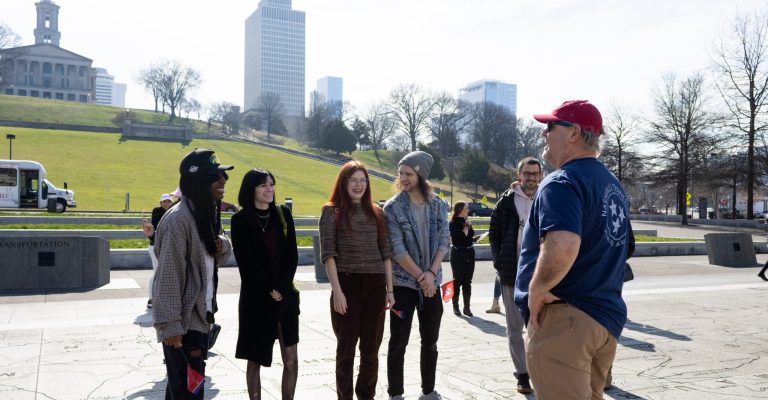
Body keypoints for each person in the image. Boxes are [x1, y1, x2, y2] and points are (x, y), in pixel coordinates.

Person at [514, 100, 630, 399]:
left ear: (574, 133)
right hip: (603, 319)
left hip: (566, 321)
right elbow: (624, 245)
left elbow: (564, 243)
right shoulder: (612, 185)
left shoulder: (562, 182)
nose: (544, 134)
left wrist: (537, 291)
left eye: (550, 127)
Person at [152, 148, 233, 399]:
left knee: (183, 390)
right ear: (198, 180)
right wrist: (170, 327)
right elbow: (167, 278)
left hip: (200, 317)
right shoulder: (178, 220)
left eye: (223, 175)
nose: (223, 181)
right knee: (188, 392)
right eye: (215, 176)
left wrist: (222, 244)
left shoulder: (205, 213)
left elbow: (215, 255)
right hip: (183, 325)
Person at [319, 160, 395, 400]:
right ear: (344, 182)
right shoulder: (331, 211)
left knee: (371, 352)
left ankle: (366, 396)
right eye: (353, 180)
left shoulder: (377, 212)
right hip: (347, 285)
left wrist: (390, 291)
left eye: (363, 180)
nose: (359, 185)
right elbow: (328, 254)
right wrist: (337, 292)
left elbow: (386, 254)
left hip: (375, 286)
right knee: (346, 352)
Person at [384, 151, 449, 400]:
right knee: (398, 342)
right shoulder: (393, 207)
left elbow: (444, 241)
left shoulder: (438, 205)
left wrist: (431, 273)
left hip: (432, 282)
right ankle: (396, 394)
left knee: (430, 342)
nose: (402, 178)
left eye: (408, 173)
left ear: (421, 175)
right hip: (404, 284)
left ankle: (428, 391)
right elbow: (397, 250)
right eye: (400, 173)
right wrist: (424, 279)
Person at [231, 169, 300, 400]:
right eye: (263, 185)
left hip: (286, 298)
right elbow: (246, 262)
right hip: (257, 300)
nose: (269, 189)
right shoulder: (239, 220)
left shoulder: (283, 215)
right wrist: (270, 288)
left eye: (271, 184)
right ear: (251, 189)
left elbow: (292, 254)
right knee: (256, 359)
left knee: (291, 359)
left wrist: (282, 287)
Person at [488, 156, 542, 395]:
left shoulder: (547, 197)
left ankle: (541, 370)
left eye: (535, 173)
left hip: (542, 273)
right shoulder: (506, 202)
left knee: (541, 328)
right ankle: (522, 374)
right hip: (512, 273)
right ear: (518, 175)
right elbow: (494, 233)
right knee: (514, 329)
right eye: (527, 173)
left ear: (540, 175)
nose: (531, 177)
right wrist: (499, 261)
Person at [142, 193, 174, 309]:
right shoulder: (157, 211)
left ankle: (163, 297)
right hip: (155, 246)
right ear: (160, 203)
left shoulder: (174, 211)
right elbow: (155, 228)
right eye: (164, 202)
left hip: (167, 246)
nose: (166, 203)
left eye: (168, 201)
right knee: (156, 272)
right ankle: (151, 298)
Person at [448, 201, 478, 316]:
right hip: (458, 254)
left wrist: (474, 239)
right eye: (466, 208)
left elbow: (469, 236)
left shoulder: (466, 221)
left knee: (467, 282)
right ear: (460, 209)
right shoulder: (453, 223)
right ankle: (455, 306)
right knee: (457, 281)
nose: (468, 210)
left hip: (469, 252)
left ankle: (467, 308)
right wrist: (467, 226)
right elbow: (462, 235)